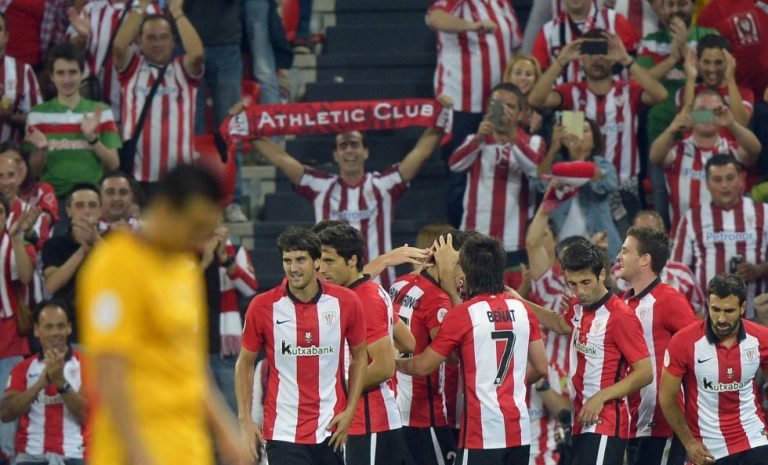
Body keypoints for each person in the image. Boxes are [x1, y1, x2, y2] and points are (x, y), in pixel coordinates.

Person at [77, 165, 247, 465]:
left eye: (204, 230)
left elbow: (193, 367)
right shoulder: (114, 264)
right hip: (134, 449)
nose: (197, 238)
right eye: (194, 226)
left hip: (188, 447)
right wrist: (139, 454)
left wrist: (226, 433)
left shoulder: (184, 269)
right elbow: (109, 370)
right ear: (166, 209)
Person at [396, 234, 548, 465]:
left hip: (480, 435)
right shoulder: (522, 309)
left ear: (466, 273)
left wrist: (393, 362)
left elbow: (422, 365)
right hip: (519, 433)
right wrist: (505, 385)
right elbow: (540, 367)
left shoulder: (463, 313)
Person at [251, 122, 445, 290]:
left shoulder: (382, 185)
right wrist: (247, 128)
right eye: (343, 145)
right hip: (330, 288)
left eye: (354, 144)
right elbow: (281, 159)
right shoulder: (321, 187)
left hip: (379, 285)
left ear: (365, 151)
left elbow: (421, 153)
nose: (349, 150)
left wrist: (440, 118)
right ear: (335, 154)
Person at [235, 227, 367, 465]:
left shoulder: (346, 302)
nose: (293, 268)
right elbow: (244, 362)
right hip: (284, 432)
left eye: (300, 260)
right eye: (287, 260)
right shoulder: (262, 306)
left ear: (317, 262)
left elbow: (359, 357)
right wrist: (245, 419)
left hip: (331, 430)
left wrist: (351, 410)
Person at [523, 240, 653, 465]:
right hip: (582, 419)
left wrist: (599, 398)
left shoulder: (620, 316)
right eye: (572, 284)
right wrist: (518, 301)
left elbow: (645, 373)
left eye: (585, 282)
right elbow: (560, 324)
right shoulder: (580, 308)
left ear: (602, 275)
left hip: (606, 420)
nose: (580, 291)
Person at [529, 29, 668, 230]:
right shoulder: (571, 92)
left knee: (626, 252)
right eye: (590, 52)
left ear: (612, 59)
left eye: (602, 51)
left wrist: (626, 59)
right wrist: (561, 61)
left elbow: (660, 94)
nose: (596, 59)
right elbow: (535, 99)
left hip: (624, 186)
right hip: (583, 184)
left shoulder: (628, 90)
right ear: (581, 60)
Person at [425, 0, 523, 227]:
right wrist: (472, 26)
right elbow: (435, 18)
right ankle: (458, 241)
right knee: (459, 174)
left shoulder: (502, 4)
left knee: (500, 170)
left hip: (497, 104)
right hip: (461, 103)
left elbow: (516, 46)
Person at [315, 224, 403, 465]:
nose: (322, 269)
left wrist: (335, 391)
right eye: (319, 262)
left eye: (329, 261)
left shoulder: (365, 298)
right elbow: (408, 341)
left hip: (369, 422)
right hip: (357, 422)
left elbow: (385, 367)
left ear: (352, 260)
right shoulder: (362, 293)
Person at [660, 273, 768, 465]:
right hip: (707, 449)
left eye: (729, 311)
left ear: (743, 308)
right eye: (715, 309)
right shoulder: (683, 342)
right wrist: (689, 443)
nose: (720, 318)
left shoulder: (761, 337)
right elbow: (667, 397)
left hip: (754, 437)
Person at [389, 230, 475, 465]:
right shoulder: (439, 299)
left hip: (393, 410)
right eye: (463, 264)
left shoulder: (400, 283)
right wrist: (450, 290)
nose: (467, 273)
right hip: (423, 416)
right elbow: (457, 355)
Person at [615, 226, 697, 465]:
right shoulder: (624, 302)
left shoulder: (669, 299)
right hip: (633, 421)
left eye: (626, 251)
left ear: (645, 260)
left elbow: (698, 349)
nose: (619, 257)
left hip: (661, 422)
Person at [637, 0, 719, 226]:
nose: (676, 11)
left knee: (702, 197)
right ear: (661, 9)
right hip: (661, 131)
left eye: (681, 4)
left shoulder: (709, 36)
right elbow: (642, 83)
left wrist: (685, 49)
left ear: (693, 6)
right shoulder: (651, 42)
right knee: (661, 201)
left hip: (701, 130)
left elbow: (716, 75)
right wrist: (673, 57)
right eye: (670, 5)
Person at [448, 83, 546, 267]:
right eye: (497, 104)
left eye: (509, 106)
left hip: (513, 240)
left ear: (519, 113)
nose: (503, 111)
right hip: (473, 239)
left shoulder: (533, 141)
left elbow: (534, 169)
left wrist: (513, 137)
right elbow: (455, 165)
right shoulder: (475, 140)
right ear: (488, 108)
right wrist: (478, 140)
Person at [112, 0, 204, 190]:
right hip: (138, 178)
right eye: (151, 37)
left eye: (163, 37)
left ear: (172, 41)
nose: (158, 43)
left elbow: (197, 55)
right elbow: (119, 47)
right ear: (139, 41)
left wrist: (177, 12)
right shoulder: (132, 70)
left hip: (180, 180)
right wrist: (141, 6)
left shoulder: (182, 70)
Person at [650, 90, 761, 232]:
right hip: (685, 238)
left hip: (727, 236)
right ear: (690, 114)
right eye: (701, 112)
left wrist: (731, 123)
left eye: (715, 111)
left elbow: (755, 150)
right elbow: (655, 157)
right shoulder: (677, 151)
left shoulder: (732, 150)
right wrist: (672, 128)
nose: (707, 117)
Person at [672, 155, 768, 316]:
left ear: (741, 180)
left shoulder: (764, 212)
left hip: (756, 314)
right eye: (717, 179)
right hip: (707, 317)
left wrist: (759, 270)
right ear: (708, 184)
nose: (725, 185)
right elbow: (676, 271)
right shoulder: (692, 218)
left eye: (730, 178)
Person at [24, 43, 121, 202]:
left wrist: (92, 139)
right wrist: (41, 150)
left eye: (73, 72)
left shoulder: (101, 112)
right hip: (51, 200)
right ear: (51, 76)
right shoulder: (37, 115)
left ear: (82, 74)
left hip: (92, 198)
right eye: (61, 73)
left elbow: (114, 164)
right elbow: (32, 173)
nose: (67, 79)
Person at [0, 301, 86, 465]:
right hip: (30, 457)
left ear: (69, 328)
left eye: (60, 326)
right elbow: (5, 414)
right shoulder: (22, 369)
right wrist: (39, 384)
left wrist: (61, 382)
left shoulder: (87, 366)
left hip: (76, 456)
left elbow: (89, 416)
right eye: (48, 327)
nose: (55, 333)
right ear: (36, 330)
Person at [534, 119, 622, 258]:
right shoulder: (556, 166)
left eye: (585, 131)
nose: (579, 135)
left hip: (602, 247)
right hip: (564, 249)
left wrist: (578, 157)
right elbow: (538, 183)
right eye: (576, 130)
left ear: (594, 141)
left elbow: (609, 184)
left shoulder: (604, 165)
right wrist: (553, 147)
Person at [67, 0, 161, 121]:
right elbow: (69, 54)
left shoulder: (151, 11)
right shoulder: (90, 10)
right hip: (93, 106)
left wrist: (141, 37)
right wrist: (82, 38)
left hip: (135, 109)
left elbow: (159, 58)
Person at [200, 223, 258, 412]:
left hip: (225, 347)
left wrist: (226, 260)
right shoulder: (180, 250)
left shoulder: (236, 250)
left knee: (232, 411)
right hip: (192, 346)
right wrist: (204, 262)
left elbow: (250, 288)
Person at [610, 210, 706, 315]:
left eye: (650, 232)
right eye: (639, 233)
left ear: (664, 237)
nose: (644, 239)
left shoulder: (682, 274)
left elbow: (698, 314)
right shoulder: (617, 272)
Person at [0, 192, 36, 458]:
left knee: (6, 414)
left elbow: (25, 276)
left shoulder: (14, 244)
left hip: (9, 335)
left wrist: (16, 237)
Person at [531, 0, 640, 84]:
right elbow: (538, 81)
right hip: (565, 109)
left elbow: (636, 73)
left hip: (614, 109)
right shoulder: (547, 32)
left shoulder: (615, 22)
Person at [42, 184, 102, 333]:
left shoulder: (114, 242)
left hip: (105, 325)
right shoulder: (54, 244)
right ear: (69, 211)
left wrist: (96, 241)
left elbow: (122, 274)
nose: (87, 211)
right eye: (80, 206)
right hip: (70, 328)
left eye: (92, 205)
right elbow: (51, 285)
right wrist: (82, 251)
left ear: (101, 210)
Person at [677, 35, 754, 127]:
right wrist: (691, 78)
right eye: (706, 62)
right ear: (698, 62)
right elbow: (686, 123)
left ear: (728, 63)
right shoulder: (684, 92)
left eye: (718, 62)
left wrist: (730, 79)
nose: (712, 69)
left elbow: (741, 123)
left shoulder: (745, 93)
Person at [0, 13, 42, 144]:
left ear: (6, 36)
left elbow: (38, 118)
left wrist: (11, 117)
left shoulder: (23, 71)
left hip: (9, 158)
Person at [503, 55, 544, 135]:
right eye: (518, 73)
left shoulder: (543, 112)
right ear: (509, 77)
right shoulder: (498, 107)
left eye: (528, 74)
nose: (523, 78)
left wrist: (536, 131)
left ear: (536, 80)